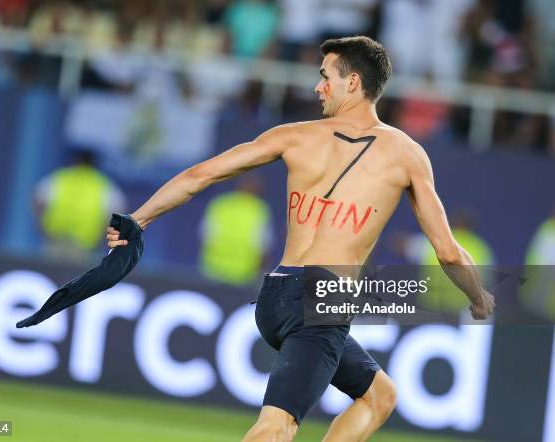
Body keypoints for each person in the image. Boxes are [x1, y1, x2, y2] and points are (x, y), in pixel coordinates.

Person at [106, 36, 495, 441]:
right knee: (275, 428)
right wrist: (478, 296)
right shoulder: (406, 153)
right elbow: (448, 252)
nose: (317, 87)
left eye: (325, 77)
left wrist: (139, 219)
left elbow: (198, 176)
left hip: (276, 297)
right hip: (323, 300)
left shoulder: (293, 135)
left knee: (380, 395)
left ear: (354, 82)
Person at [34, 149, 126, 257]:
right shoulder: (102, 185)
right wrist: (100, 238)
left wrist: (44, 229)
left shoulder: (60, 178)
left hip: (55, 239)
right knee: (77, 274)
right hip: (85, 245)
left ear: (75, 162)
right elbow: (118, 213)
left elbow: (38, 201)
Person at [199, 173, 274, 285]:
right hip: (243, 274)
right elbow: (263, 246)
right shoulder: (259, 209)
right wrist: (262, 272)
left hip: (213, 269)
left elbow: (205, 236)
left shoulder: (220, 203)